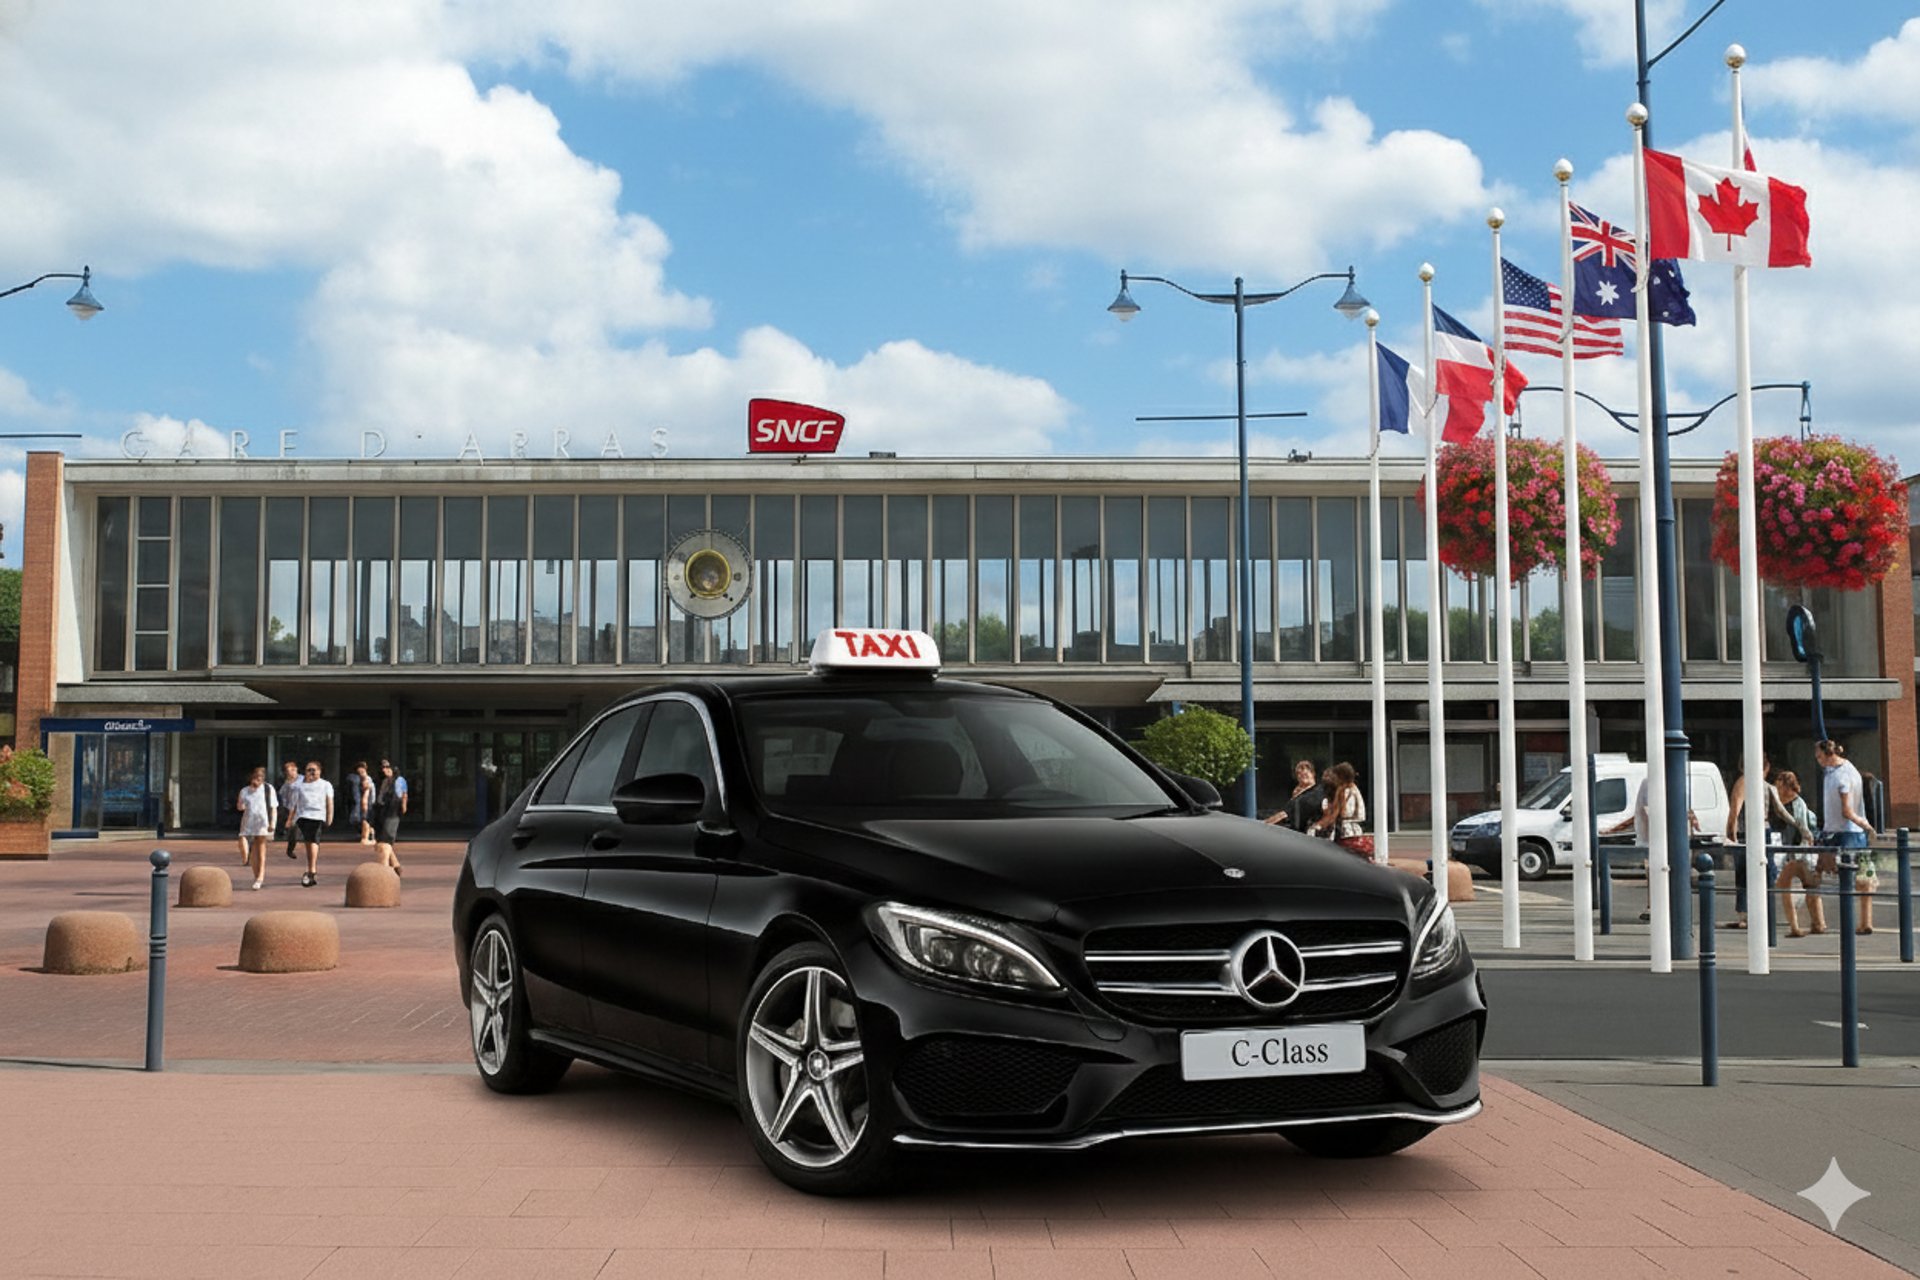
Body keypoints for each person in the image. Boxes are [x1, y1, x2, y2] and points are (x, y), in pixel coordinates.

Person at [1603, 775, 1699, 922]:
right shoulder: (1658, 781)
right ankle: (1658, 906)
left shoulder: (1654, 782)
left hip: (1657, 838)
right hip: (1660, 838)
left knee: (1657, 873)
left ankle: (1656, 907)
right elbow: (1645, 811)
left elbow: (1647, 812)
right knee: (1658, 873)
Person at [1815, 739, 1877, 935]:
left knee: (1830, 875)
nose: (1818, 761)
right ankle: (1865, 920)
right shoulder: (1842, 771)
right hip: (1848, 832)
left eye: (1818, 756)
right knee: (1864, 876)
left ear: (1827, 754)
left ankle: (1824, 922)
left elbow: (1847, 811)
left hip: (1843, 832)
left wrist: (1866, 825)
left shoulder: (1842, 776)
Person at [1771, 770, 1823, 937]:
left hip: (1799, 851)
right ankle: (1810, 924)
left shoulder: (1797, 803)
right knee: (1794, 886)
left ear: (1788, 786)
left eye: (1780, 786)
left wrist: (1806, 841)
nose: (1778, 790)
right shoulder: (1778, 803)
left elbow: (1802, 825)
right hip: (1788, 851)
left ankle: (1814, 923)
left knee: (1804, 887)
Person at [1312, 761, 1371, 856]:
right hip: (1351, 831)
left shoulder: (1346, 792)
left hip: (1346, 833)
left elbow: (1342, 813)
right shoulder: (1351, 790)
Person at [294, 760, 334, 888]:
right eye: (308, 770)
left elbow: (329, 801)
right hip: (302, 815)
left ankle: (312, 870)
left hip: (317, 815)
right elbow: (295, 802)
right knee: (298, 838)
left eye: (313, 770)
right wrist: (291, 818)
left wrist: (329, 817)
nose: (311, 773)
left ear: (319, 771)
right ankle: (294, 853)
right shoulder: (300, 785)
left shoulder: (325, 784)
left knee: (312, 841)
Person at [235, 766, 277, 890]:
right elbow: (240, 806)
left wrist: (272, 824)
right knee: (250, 848)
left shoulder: (268, 789)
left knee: (261, 849)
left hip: (263, 822)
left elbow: (273, 807)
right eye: (255, 778)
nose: (257, 781)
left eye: (260, 778)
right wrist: (241, 805)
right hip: (249, 822)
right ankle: (254, 872)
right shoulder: (245, 791)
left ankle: (260, 877)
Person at [372, 757, 409, 875]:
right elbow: (379, 797)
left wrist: (403, 806)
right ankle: (396, 865)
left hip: (392, 812)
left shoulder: (399, 780)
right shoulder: (382, 781)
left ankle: (384, 870)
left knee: (385, 841)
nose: (384, 770)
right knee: (381, 841)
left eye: (387, 767)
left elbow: (404, 794)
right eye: (382, 767)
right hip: (381, 812)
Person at [1263, 760, 1319, 828]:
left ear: (1313, 773)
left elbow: (1284, 814)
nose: (1302, 776)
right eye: (1299, 774)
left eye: (1305, 774)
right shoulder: (1298, 794)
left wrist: (1264, 825)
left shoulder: (1315, 792)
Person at [278, 759, 303, 860]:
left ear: (296, 769)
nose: (290, 773)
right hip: (291, 809)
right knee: (293, 830)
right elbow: (282, 795)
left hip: (303, 808)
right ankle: (290, 848)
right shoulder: (287, 783)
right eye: (288, 771)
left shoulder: (303, 779)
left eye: (292, 770)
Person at [349, 761, 376, 845]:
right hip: (365, 804)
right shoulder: (362, 779)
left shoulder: (366, 780)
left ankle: (366, 837)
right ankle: (367, 837)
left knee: (365, 820)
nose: (361, 774)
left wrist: (364, 806)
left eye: (362, 772)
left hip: (366, 804)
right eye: (359, 772)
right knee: (365, 820)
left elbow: (366, 795)